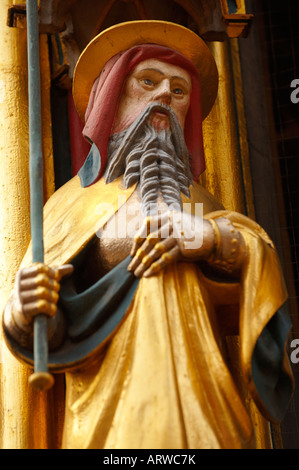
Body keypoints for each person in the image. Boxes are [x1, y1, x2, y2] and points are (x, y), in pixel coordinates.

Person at [2, 20, 294, 449]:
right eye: (148, 81)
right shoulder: (70, 206)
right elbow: (48, 321)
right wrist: (23, 312)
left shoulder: (202, 203)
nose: (164, 95)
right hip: (111, 409)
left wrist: (210, 240)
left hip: (204, 401)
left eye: (179, 91)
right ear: (112, 98)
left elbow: (255, 262)